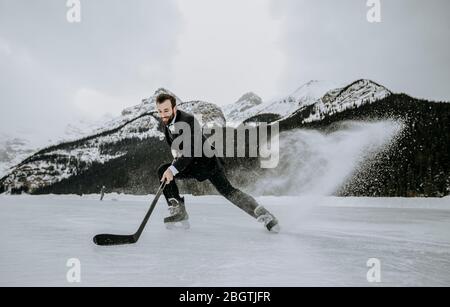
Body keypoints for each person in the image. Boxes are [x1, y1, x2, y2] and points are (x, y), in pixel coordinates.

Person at [156, 93, 279, 232]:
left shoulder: (188, 120)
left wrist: (173, 169)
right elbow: (179, 150)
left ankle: (264, 214)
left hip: (208, 163)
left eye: (166, 110)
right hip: (190, 165)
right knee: (162, 170)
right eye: (160, 111)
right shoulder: (167, 126)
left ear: (174, 108)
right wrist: (174, 164)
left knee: (228, 191)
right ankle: (179, 211)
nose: (163, 114)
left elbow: (190, 150)